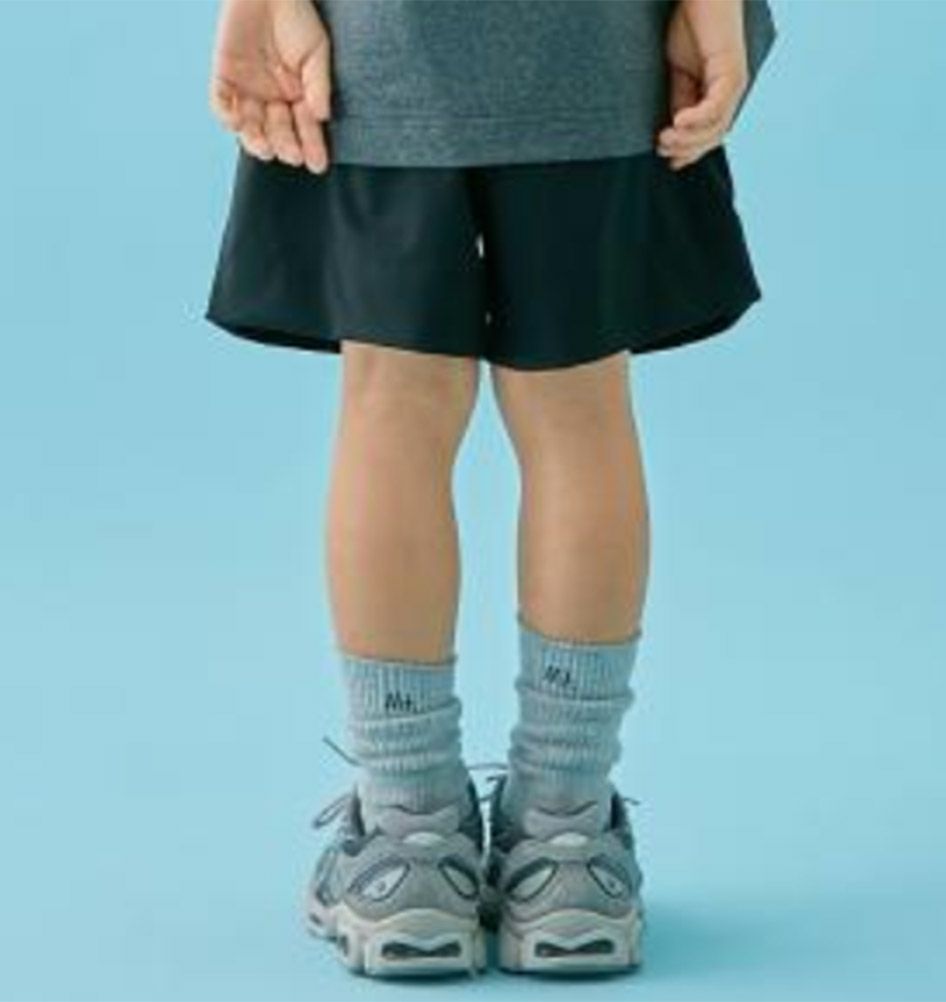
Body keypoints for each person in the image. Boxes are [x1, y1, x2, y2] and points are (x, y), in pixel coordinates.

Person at [204, 0, 775, 978]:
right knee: (580, 406)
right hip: (594, 54)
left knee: (393, 403)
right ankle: (567, 842)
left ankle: (408, 842)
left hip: (379, 52)